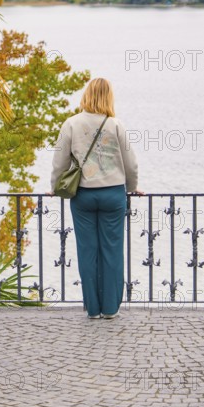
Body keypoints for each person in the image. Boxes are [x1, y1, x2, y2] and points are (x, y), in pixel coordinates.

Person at [47, 78, 143, 320]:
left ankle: (93, 309)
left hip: (83, 195)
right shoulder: (115, 124)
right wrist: (132, 187)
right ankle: (110, 308)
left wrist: (55, 187)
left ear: (86, 95)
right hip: (113, 194)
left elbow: (60, 162)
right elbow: (130, 163)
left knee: (87, 251)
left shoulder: (71, 124)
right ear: (109, 97)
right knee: (112, 251)